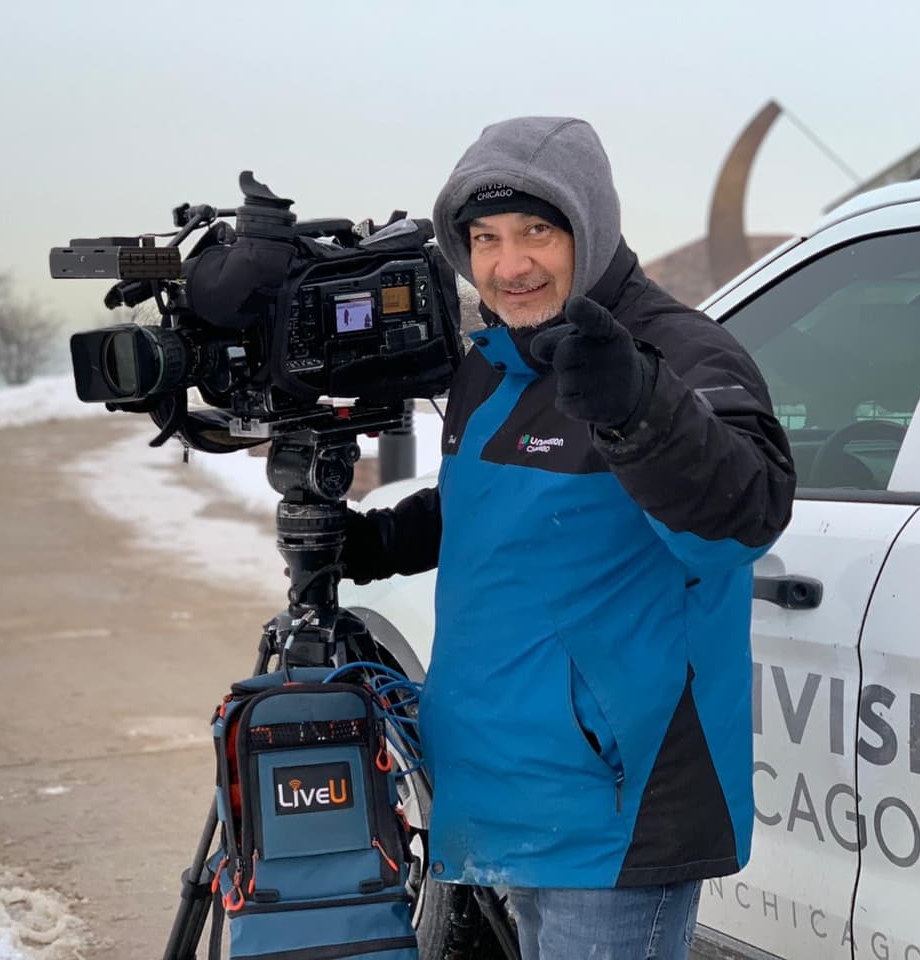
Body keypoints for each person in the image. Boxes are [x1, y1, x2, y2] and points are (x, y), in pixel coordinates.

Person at [342, 116, 796, 960]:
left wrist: (637, 405)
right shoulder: (493, 364)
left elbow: (745, 516)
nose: (509, 266)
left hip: (615, 807)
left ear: (589, 228)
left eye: (536, 233)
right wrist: (380, 541)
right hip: (509, 787)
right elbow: (501, 507)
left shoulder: (679, 354)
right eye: (484, 239)